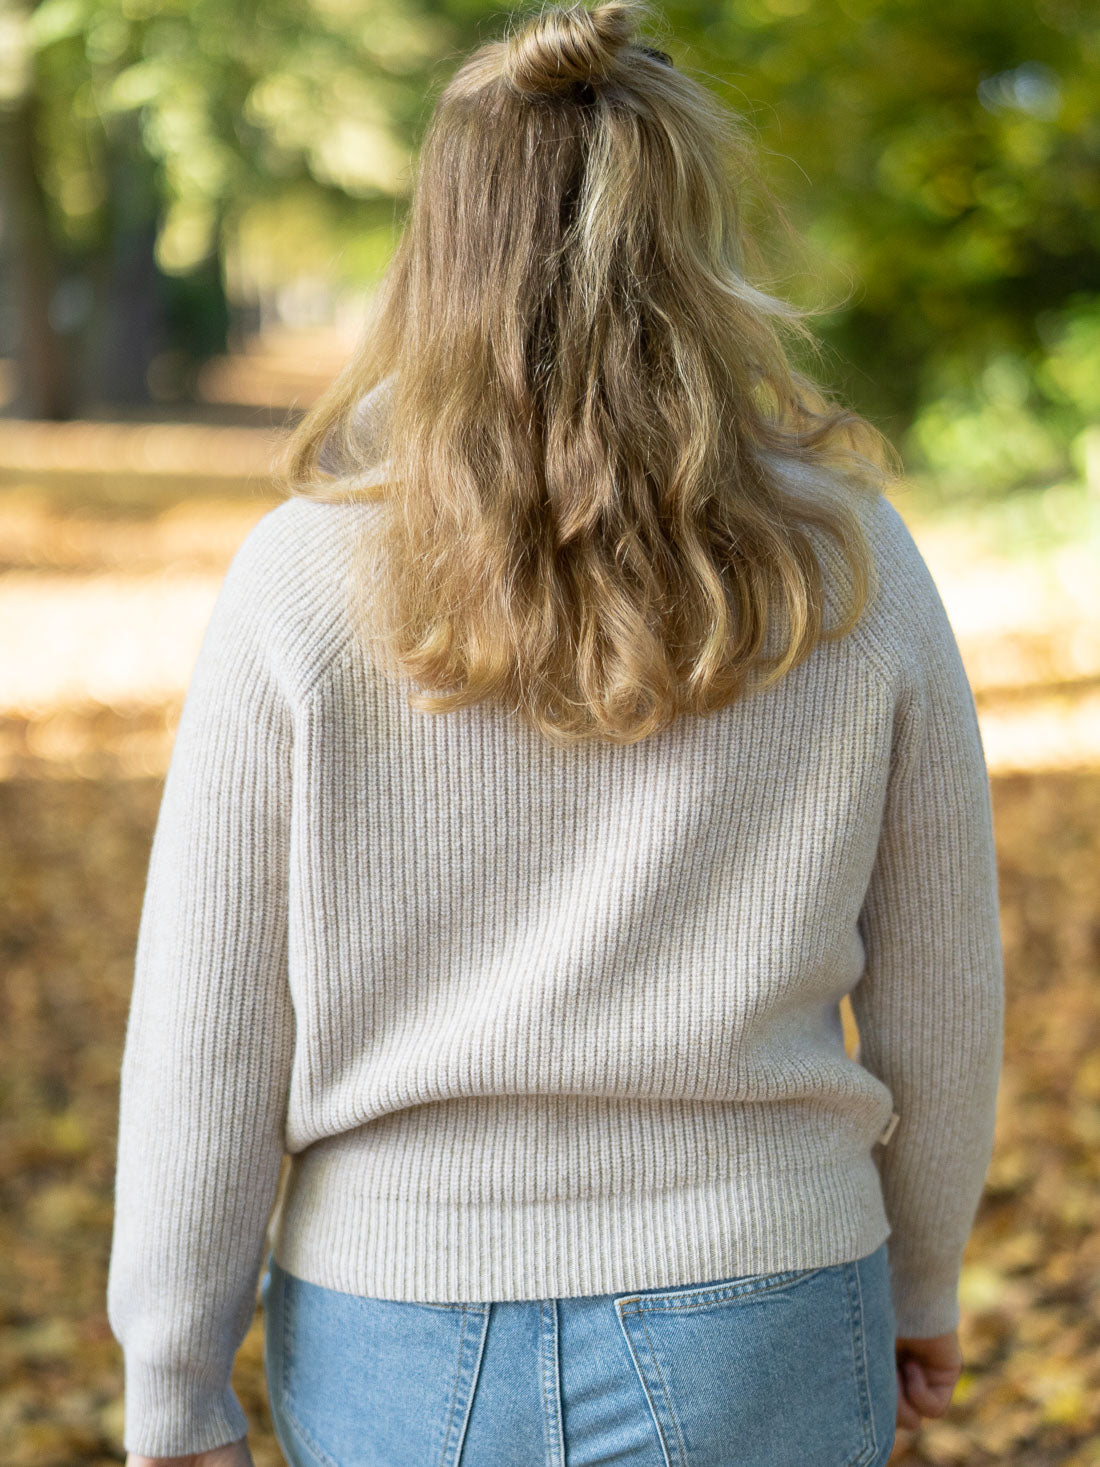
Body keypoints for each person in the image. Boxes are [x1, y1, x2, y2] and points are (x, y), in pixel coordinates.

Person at [105, 1, 1004, 1464]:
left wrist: (174, 1382)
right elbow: (942, 980)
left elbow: (210, 1018)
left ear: (437, 240)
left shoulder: (303, 572)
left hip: (394, 1317)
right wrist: (922, 1275)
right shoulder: (848, 559)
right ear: (697, 233)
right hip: (767, 1299)